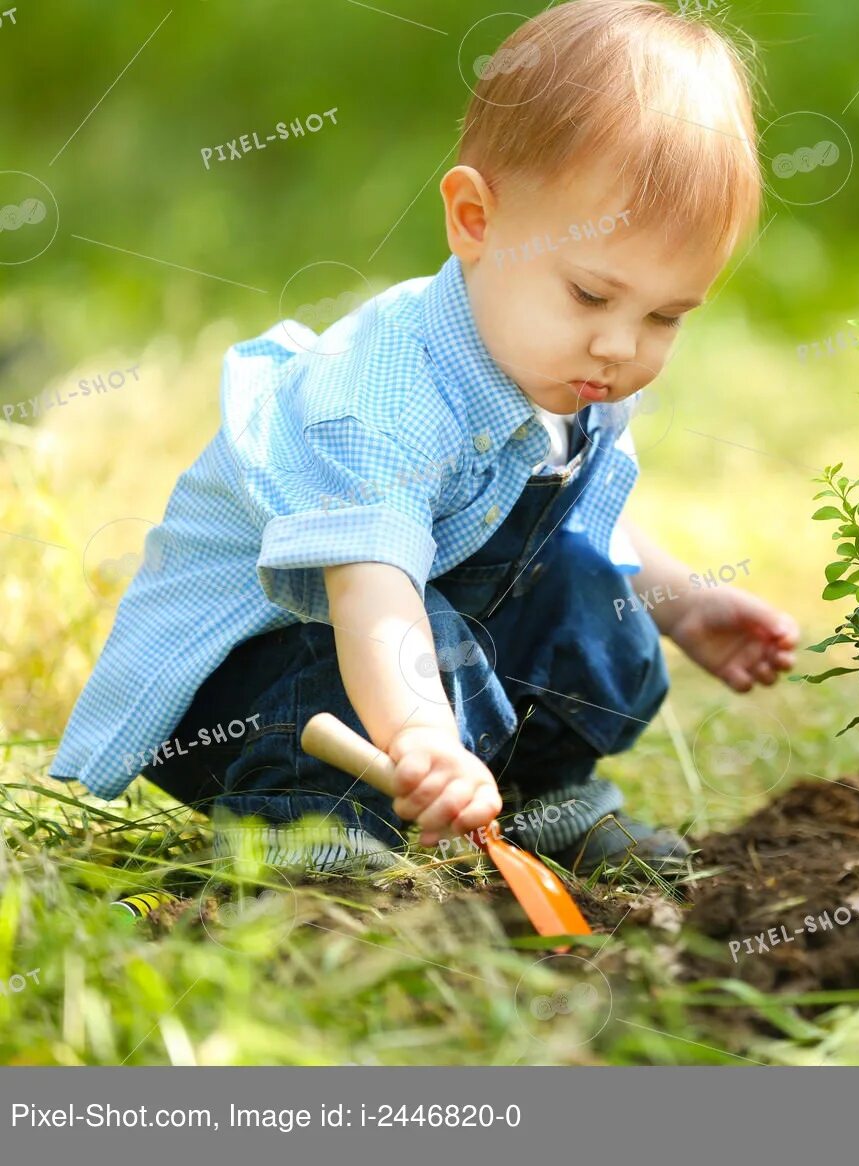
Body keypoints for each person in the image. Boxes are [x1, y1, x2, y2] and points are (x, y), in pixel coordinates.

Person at [49, 0, 798, 881]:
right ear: (475, 220)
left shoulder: (557, 364)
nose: (620, 346)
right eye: (592, 296)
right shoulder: (377, 396)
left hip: (417, 647)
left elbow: (563, 521)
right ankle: (310, 837)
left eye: (667, 315)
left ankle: (543, 792)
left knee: (593, 592)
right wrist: (421, 738)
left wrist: (684, 601)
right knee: (373, 642)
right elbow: (371, 599)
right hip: (257, 676)